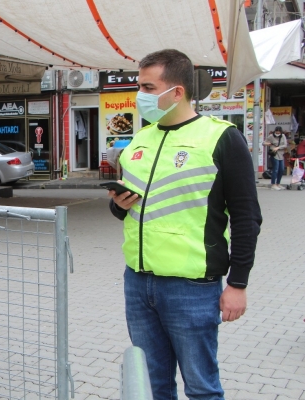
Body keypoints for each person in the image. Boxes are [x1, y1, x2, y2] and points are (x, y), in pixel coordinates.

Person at [107, 49, 262, 400]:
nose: (140, 94)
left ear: (177, 91)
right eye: (139, 85)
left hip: (192, 288)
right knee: (153, 386)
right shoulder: (140, 140)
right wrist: (118, 206)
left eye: (148, 86)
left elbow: (246, 216)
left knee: (202, 388)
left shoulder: (221, 138)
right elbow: (131, 211)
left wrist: (238, 283)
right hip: (138, 282)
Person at [263, 126, 288, 190]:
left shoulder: (283, 136)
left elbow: (285, 145)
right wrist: (268, 144)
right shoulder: (271, 136)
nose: (277, 133)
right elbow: (264, 143)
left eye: (279, 132)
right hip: (274, 155)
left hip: (281, 155)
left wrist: (278, 147)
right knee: (275, 169)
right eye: (276, 132)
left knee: (281, 169)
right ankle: (273, 184)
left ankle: (278, 183)